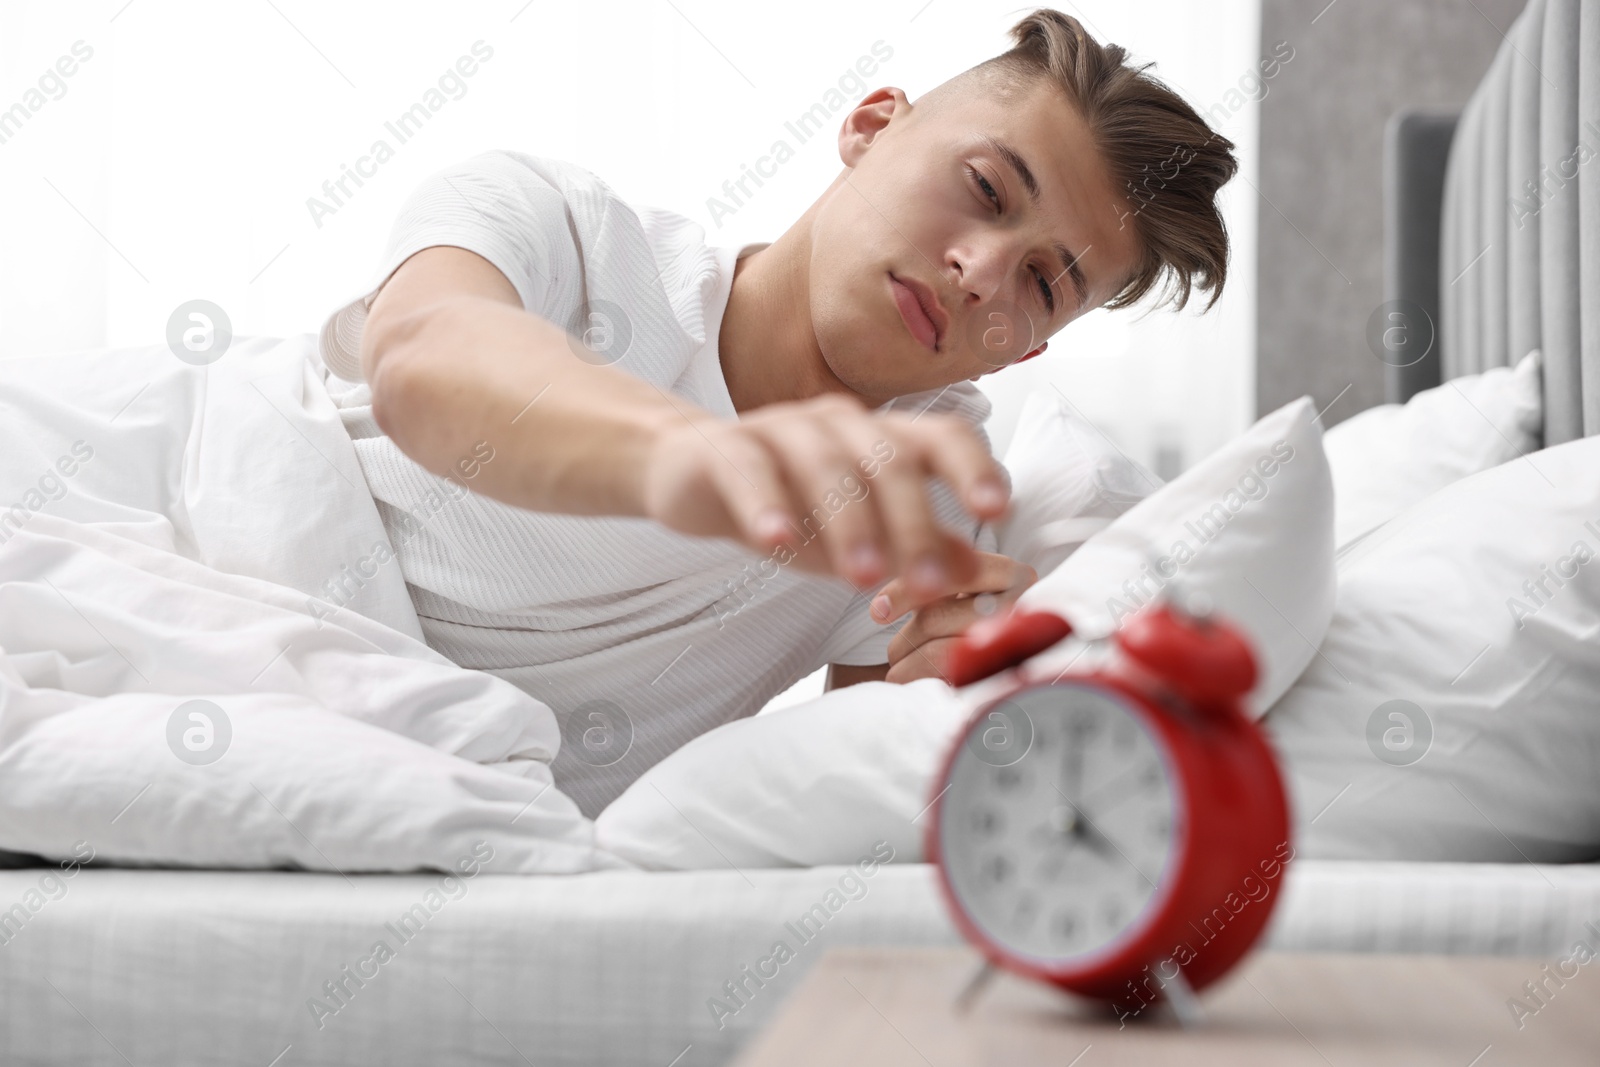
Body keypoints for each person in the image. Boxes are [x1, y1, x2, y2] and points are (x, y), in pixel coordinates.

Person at [315, 8, 1238, 815]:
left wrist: (937, 708)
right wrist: (698, 460)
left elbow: (831, 816)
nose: (983, 273)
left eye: (1042, 282)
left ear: (1030, 348)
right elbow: (421, 355)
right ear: (873, 126)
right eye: (987, 190)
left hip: (442, 791)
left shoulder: (927, 505)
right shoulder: (561, 225)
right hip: (221, 539)